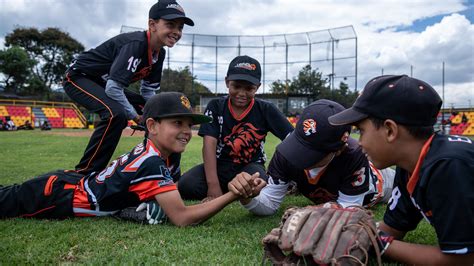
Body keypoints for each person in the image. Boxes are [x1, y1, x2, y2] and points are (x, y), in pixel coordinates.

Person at [0, 92, 265, 226]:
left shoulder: (167, 154)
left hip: (71, 185)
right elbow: (182, 218)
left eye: (189, 124)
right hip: (56, 197)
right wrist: (231, 194)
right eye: (177, 123)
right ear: (152, 126)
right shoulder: (151, 160)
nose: (186, 131)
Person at [328, 75, 474, 264]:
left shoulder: (448, 165)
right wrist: (349, 233)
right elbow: (392, 229)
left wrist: (377, 243)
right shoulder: (409, 165)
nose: (360, 142)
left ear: (390, 130)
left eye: (361, 131)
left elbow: (462, 260)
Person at [63, 0, 194, 175]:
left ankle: (164, 170)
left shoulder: (159, 53)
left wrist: (159, 110)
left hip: (104, 83)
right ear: (152, 24)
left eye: (180, 27)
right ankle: (85, 174)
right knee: (115, 114)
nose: (176, 32)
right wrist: (135, 116)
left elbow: (148, 91)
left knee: (161, 113)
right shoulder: (136, 44)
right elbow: (113, 88)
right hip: (79, 77)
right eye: (170, 25)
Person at [230, 99, 395, 216]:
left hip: (381, 182)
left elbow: (349, 210)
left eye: (312, 152)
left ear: (339, 150)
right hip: (332, 192)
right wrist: (248, 197)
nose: (299, 157)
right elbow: (269, 204)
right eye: (300, 144)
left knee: (405, 184)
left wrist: (307, 212)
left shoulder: (352, 154)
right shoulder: (285, 152)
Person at [177, 55, 294, 201]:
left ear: (257, 87)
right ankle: (231, 190)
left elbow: (293, 139)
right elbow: (209, 144)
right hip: (220, 166)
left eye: (249, 88)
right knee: (185, 186)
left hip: (250, 166)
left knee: (257, 185)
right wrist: (212, 185)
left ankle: (236, 189)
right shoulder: (216, 106)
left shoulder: (266, 109)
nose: (242, 93)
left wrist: (288, 173)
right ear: (227, 82)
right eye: (236, 86)